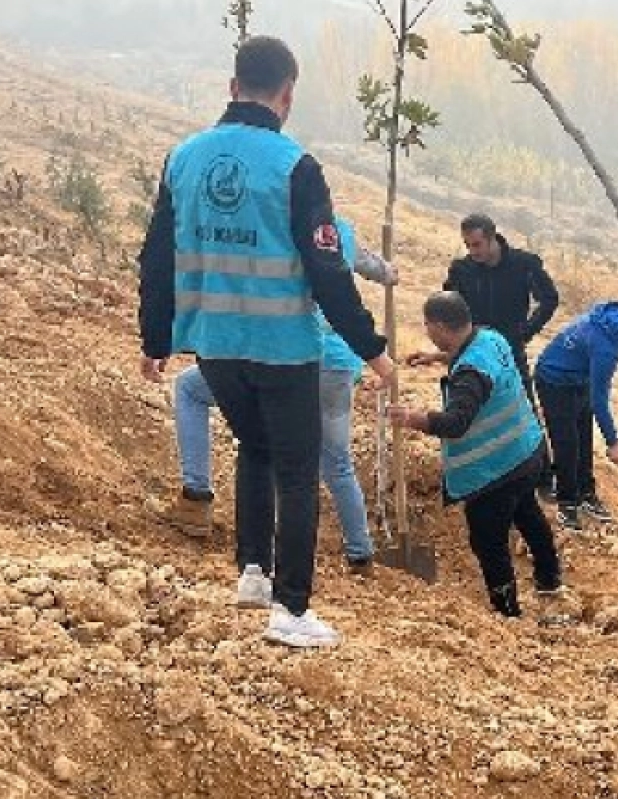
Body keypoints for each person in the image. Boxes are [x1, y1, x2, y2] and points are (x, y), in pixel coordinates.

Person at [138, 34, 389, 648]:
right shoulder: (295, 167)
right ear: (287, 96)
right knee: (299, 472)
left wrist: (156, 337)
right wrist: (370, 346)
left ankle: (253, 571)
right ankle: (293, 610)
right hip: (283, 348)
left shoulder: (183, 158)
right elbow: (329, 268)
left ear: (231, 88)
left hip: (214, 345)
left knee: (254, 445)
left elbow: (157, 256)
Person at [160, 221, 395, 578]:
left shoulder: (272, 224)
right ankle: (360, 554)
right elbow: (369, 265)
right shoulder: (339, 232)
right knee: (336, 461)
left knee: (196, 394)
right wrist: (390, 273)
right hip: (339, 365)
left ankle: (197, 499)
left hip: (289, 355)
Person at [387, 292, 561, 618]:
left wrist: (412, 417)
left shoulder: (470, 372)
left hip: (497, 470)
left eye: (427, 324)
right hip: (527, 450)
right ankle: (549, 579)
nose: (426, 329)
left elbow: (455, 423)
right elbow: (478, 361)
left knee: (488, 540)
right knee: (528, 514)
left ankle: (507, 611)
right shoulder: (489, 337)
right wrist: (437, 357)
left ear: (440, 326)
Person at [533, 299, 618, 530]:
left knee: (584, 439)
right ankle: (567, 503)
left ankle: (586, 494)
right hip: (553, 378)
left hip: (578, 378)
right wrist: (613, 442)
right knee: (567, 443)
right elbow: (600, 400)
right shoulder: (606, 347)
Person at [443, 213, 559, 401]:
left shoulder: (523, 264)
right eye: (467, 245)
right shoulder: (461, 270)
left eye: (477, 244)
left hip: (510, 352)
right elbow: (449, 307)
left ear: (492, 238)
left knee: (526, 415)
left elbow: (549, 298)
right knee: (465, 416)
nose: (472, 251)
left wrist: (526, 331)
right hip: (471, 353)